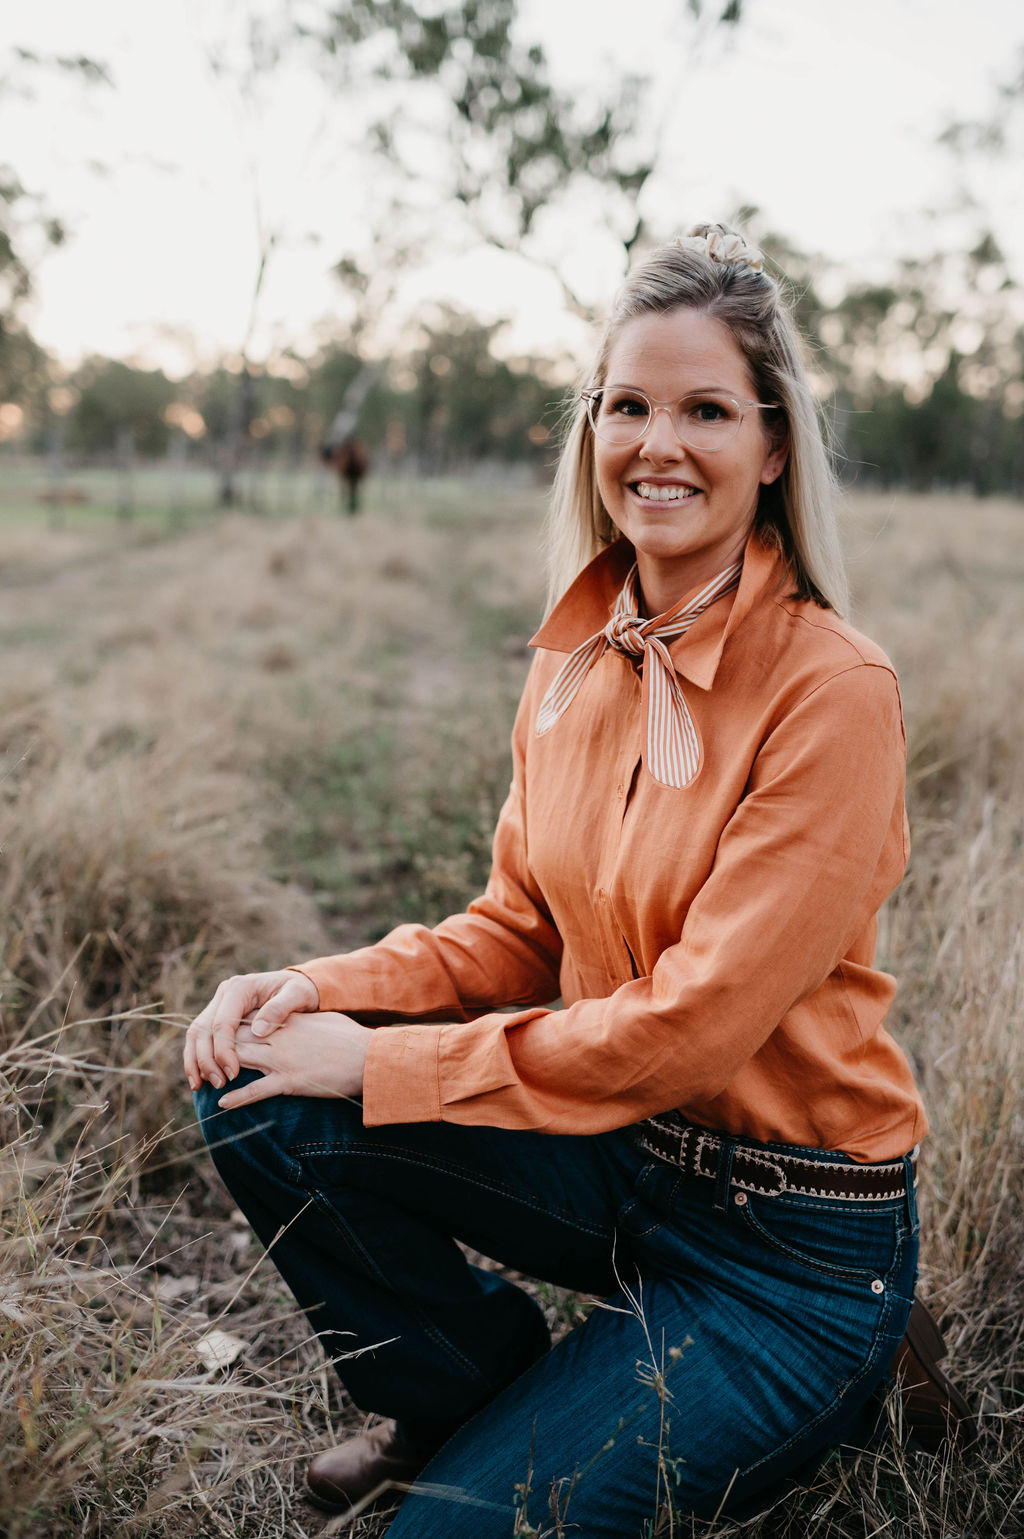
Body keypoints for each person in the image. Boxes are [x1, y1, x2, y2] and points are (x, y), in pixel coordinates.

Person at [186, 223, 970, 1537]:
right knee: (260, 1095)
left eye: (706, 410)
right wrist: (310, 990)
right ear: (593, 429)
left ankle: (852, 1365)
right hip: (622, 1163)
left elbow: (688, 1031)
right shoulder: (574, 658)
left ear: (775, 446)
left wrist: (381, 1064)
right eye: (628, 406)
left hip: (785, 1248)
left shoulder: (833, 691)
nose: (659, 443)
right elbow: (514, 931)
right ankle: (460, 1399)